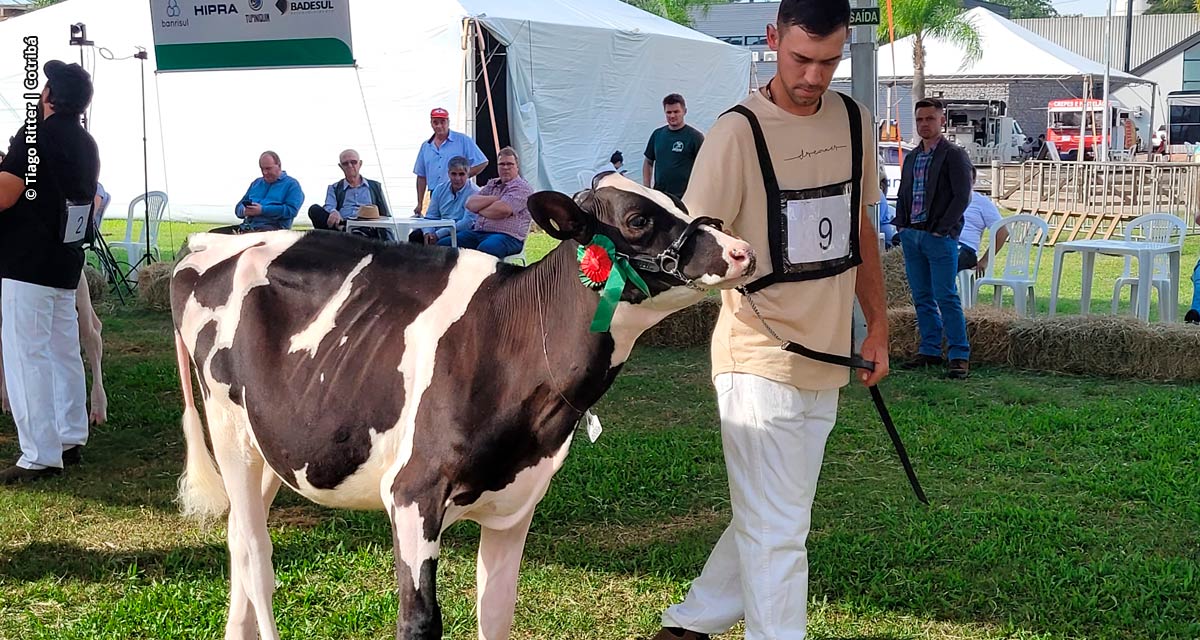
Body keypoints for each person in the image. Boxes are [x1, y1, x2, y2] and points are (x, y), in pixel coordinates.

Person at [648, 1, 888, 638]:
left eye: (830, 61)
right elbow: (693, 244)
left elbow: (859, 230)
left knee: (775, 515)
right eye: (801, 59)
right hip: (757, 358)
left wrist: (880, 326)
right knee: (780, 534)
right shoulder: (735, 133)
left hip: (828, 361)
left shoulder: (855, 120)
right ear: (773, 39)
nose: (814, 76)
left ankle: (690, 623)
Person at [0, 60, 100, 484]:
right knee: (62, 351)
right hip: (65, 260)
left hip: (27, 261)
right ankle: (69, 436)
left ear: (48, 98)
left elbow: (6, 194)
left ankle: (39, 454)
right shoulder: (86, 142)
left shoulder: (34, 136)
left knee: (28, 356)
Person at [893, 98, 974, 380]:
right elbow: (905, 192)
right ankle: (929, 349)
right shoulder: (913, 156)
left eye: (929, 119)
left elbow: (962, 196)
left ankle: (959, 355)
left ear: (942, 121)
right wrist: (901, 225)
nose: (924, 124)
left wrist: (943, 229)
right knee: (922, 296)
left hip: (939, 237)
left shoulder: (953, 154)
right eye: (919, 120)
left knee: (946, 296)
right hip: (912, 234)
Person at [437, 146, 530, 259]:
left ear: (517, 167)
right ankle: (449, 276)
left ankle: (484, 277)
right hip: (479, 233)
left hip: (508, 237)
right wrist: (497, 198)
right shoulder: (492, 184)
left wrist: (480, 209)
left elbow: (501, 211)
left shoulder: (522, 188)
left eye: (509, 164)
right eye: (501, 164)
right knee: (444, 244)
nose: (505, 167)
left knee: (486, 249)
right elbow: (470, 203)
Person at [413, 107, 487, 215]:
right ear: (431, 123)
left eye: (442, 122)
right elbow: (421, 176)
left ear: (448, 122)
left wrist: (462, 176)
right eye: (435, 122)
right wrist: (419, 203)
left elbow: (482, 162)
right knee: (434, 223)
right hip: (435, 193)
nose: (439, 126)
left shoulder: (462, 140)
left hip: (458, 191)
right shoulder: (426, 146)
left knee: (456, 223)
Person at [215, 151, 303, 234]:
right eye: (262, 169)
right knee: (214, 234)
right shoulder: (256, 183)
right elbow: (238, 208)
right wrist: (244, 210)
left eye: (268, 169)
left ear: (279, 166)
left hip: (273, 231)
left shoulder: (292, 185)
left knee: (247, 243)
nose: (265, 172)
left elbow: (291, 211)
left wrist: (262, 210)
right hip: (247, 227)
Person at [308, 148, 391, 231]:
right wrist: (333, 212)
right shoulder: (334, 187)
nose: (350, 166)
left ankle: (352, 232)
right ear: (341, 166)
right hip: (342, 223)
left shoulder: (375, 186)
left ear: (360, 164)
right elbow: (329, 205)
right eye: (345, 163)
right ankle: (343, 230)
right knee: (314, 209)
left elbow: (385, 214)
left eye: (353, 162)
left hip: (369, 226)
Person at [643, 93, 705, 199]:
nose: (672, 116)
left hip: (686, 198)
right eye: (669, 112)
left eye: (676, 112)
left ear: (684, 111)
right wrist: (647, 189)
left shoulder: (695, 137)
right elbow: (648, 162)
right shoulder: (657, 135)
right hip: (660, 197)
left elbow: (705, 167)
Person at [957, 166, 1008, 275]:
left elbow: (1002, 232)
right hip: (943, 243)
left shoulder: (981, 201)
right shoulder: (943, 199)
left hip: (965, 248)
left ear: (973, 181)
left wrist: (985, 260)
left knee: (946, 259)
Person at [421, 155, 478, 245]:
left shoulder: (475, 192)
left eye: (461, 174)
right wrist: (428, 233)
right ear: (448, 173)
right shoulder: (439, 189)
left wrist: (438, 235)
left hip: (460, 231)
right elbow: (431, 216)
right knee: (414, 237)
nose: (457, 178)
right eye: (454, 174)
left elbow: (467, 223)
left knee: (443, 243)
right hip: (438, 230)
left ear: (468, 174)